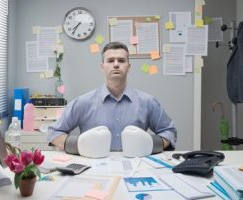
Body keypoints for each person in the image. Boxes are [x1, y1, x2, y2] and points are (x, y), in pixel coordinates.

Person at [47, 41, 177, 155]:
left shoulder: (148, 102)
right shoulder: (83, 102)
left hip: (137, 167)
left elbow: (169, 132)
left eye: (121, 60)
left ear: (129, 67)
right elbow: (53, 133)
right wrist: (80, 145)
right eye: (110, 60)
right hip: (93, 169)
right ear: (102, 67)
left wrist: (149, 144)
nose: (116, 64)